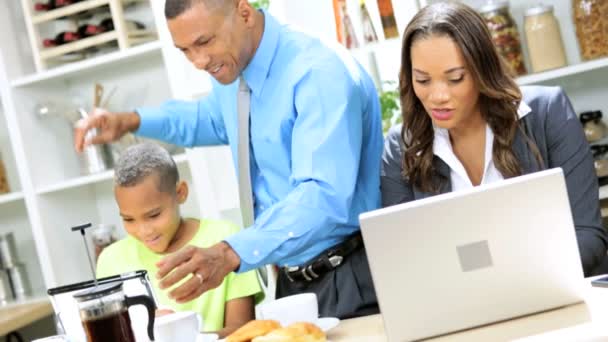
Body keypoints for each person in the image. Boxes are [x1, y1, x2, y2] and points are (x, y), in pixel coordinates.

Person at [76, 0, 382, 318]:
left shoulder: (317, 73)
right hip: (293, 282)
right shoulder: (235, 69)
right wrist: (130, 121)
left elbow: (323, 197)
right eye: (185, 50)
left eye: (204, 42)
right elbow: (210, 119)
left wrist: (229, 252)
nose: (198, 61)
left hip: (352, 275)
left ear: (244, 13)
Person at [380, 2, 608, 276]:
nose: (437, 96)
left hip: (554, 293)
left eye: (455, 78)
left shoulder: (547, 113)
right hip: (461, 309)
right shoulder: (400, 147)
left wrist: (513, 282)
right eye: (423, 80)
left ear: (482, 70)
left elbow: (588, 237)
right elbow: (406, 263)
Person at [96, 142, 262, 337]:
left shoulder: (225, 241)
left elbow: (244, 331)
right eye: (129, 219)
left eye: (154, 215)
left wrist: (180, 335)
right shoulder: (111, 259)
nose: (144, 231)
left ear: (181, 192)